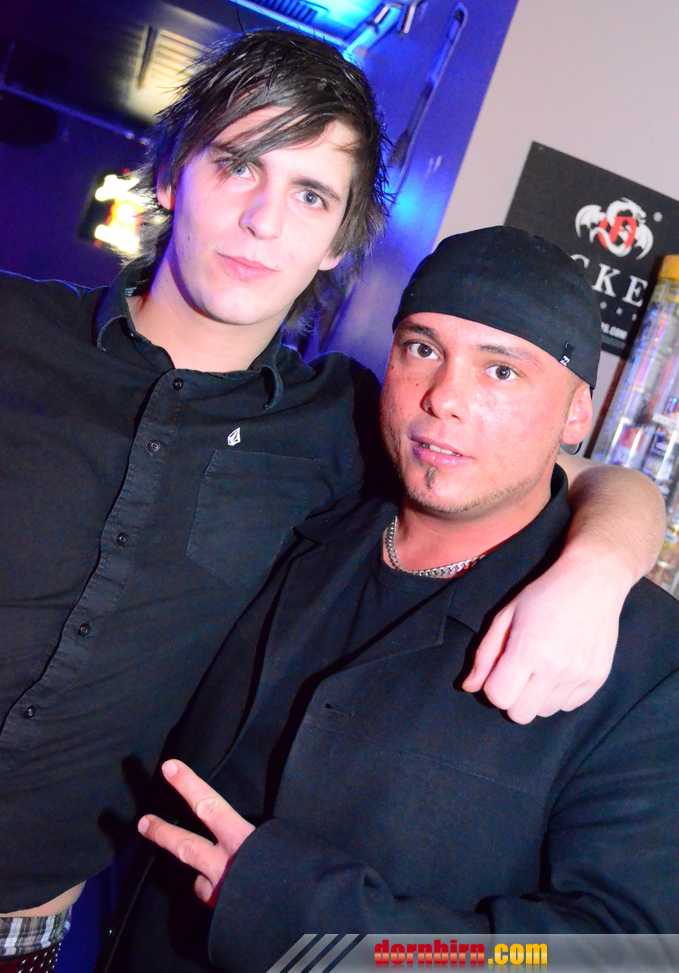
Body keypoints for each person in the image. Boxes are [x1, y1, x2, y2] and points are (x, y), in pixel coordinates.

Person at [0, 26, 665, 969]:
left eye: (309, 194)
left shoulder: (336, 433)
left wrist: (597, 569)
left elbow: (624, 954)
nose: (263, 220)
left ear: (338, 242)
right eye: (237, 164)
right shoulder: (18, 334)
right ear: (172, 176)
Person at [127, 228, 679, 973]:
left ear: (576, 414)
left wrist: (321, 929)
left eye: (501, 371)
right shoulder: (305, 514)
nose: (443, 398)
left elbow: (618, 952)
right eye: (422, 348)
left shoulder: (645, 659)